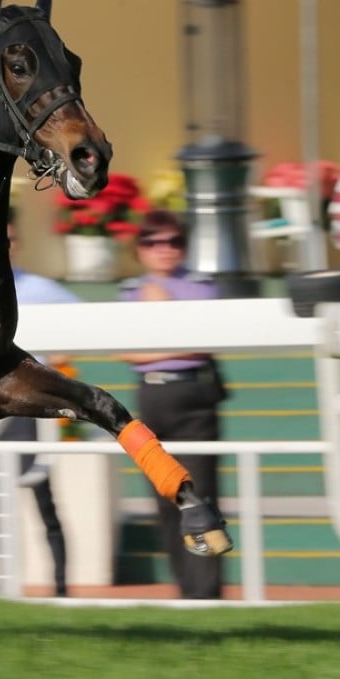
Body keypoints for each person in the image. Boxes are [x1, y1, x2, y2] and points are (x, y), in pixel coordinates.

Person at [115, 209, 227, 599]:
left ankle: (206, 596)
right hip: (152, 396)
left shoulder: (201, 286)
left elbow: (205, 343)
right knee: (167, 500)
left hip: (194, 396)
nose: (163, 250)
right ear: (140, 249)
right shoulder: (132, 290)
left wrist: (158, 332)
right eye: (152, 241)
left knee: (199, 497)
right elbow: (128, 353)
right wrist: (173, 343)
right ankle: (187, 593)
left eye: (173, 241)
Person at [0, 217, 77, 597]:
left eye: (11, 238)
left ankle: (61, 589)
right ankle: (2, 588)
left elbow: (85, 325)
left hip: (32, 411)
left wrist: (52, 365)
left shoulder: (43, 289)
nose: (5, 244)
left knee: (44, 502)